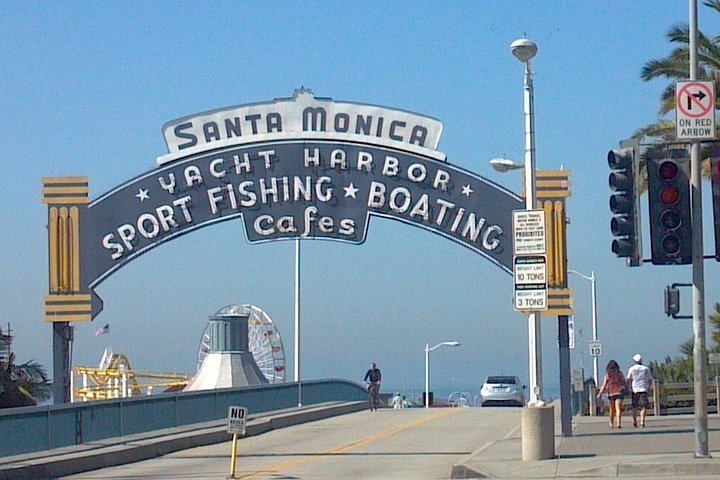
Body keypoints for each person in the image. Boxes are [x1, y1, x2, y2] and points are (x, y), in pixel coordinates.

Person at [597, 359, 628, 428]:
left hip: (611, 392)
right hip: (619, 392)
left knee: (612, 409)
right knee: (618, 408)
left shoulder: (608, 374)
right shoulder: (619, 373)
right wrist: (626, 388)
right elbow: (624, 382)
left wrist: (600, 393)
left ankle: (611, 423)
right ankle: (618, 423)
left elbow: (604, 384)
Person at [627, 353, 653, 428]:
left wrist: (628, 387)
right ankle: (642, 421)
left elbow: (628, 379)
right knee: (644, 406)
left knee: (634, 406)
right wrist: (649, 387)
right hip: (643, 388)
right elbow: (650, 379)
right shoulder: (645, 369)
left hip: (635, 389)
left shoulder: (631, 369)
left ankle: (634, 421)